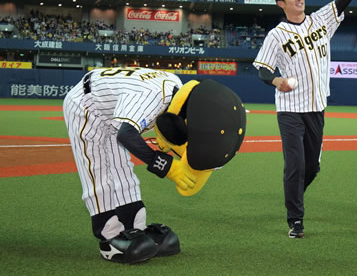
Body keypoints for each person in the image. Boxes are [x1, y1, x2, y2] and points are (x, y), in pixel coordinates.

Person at [63, 68, 246, 263]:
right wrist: (166, 166)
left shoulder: (176, 90)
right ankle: (109, 237)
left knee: (121, 167)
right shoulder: (153, 96)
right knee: (97, 166)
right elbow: (126, 135)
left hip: (112, 111)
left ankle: (135, 227)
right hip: (87, 105)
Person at [253, 0, 357, 239]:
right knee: (295, 165)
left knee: (311, 167)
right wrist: (277, 80)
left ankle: (294, 194)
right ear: (281, 3)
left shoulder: (320, 21)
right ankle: (295, 220)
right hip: (290, 110)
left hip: (317, 108)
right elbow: (261, 68)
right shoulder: (277, 34)